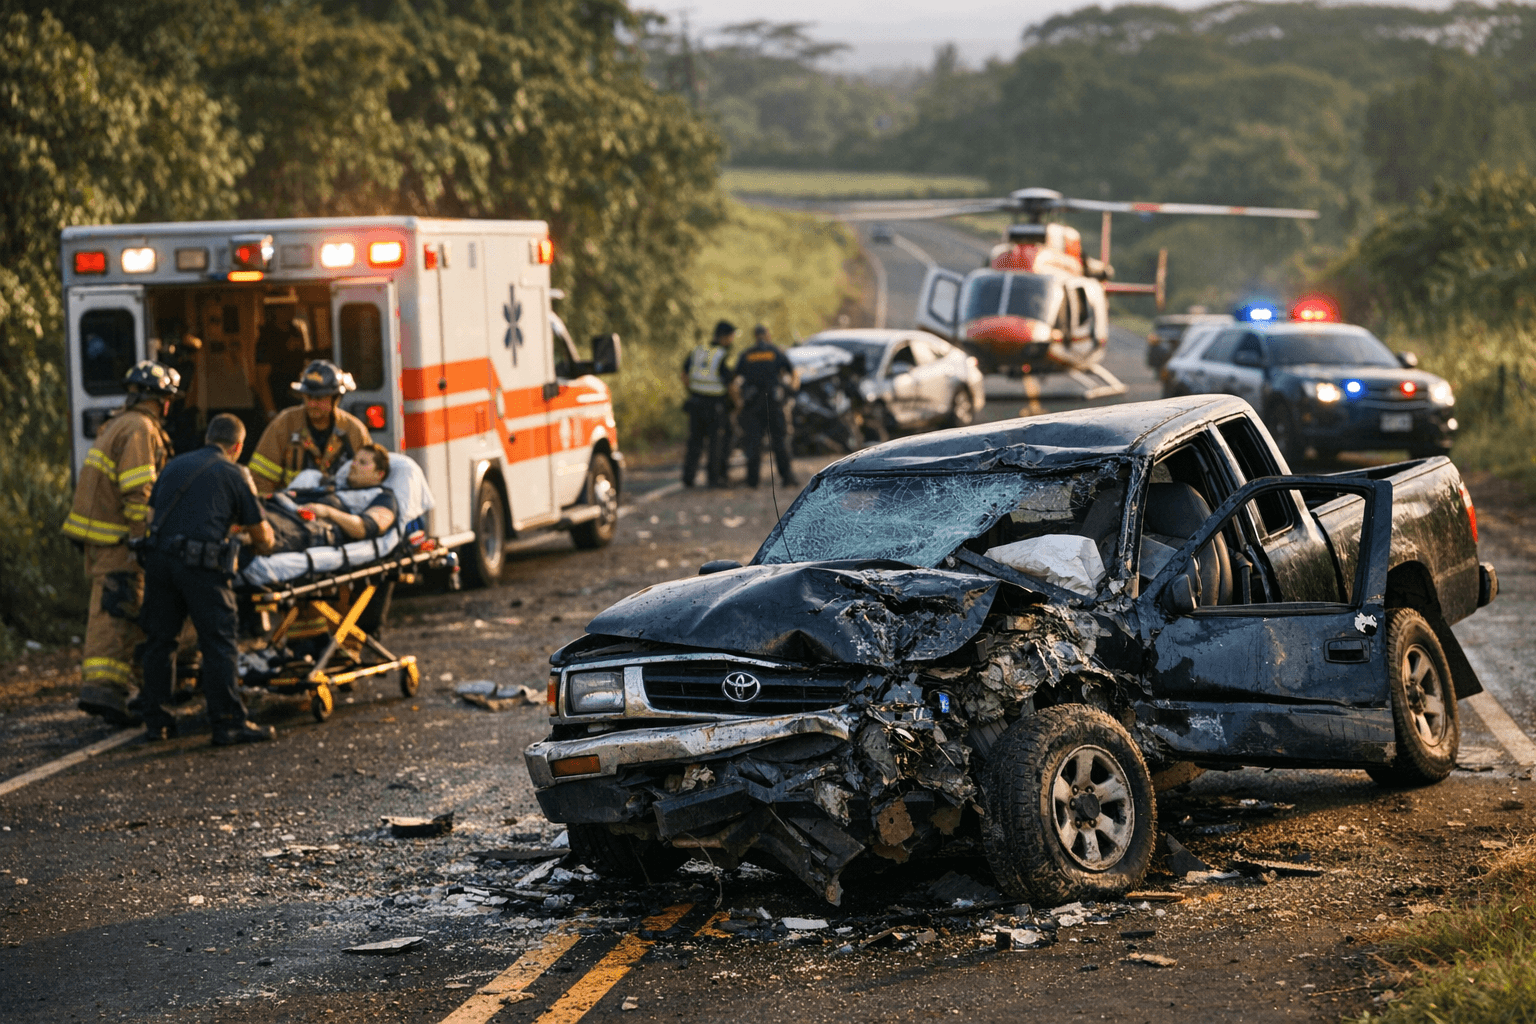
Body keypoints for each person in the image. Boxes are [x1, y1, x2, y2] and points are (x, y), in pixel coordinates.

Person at [137, 414, 277, 745]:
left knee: (160, 641)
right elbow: (264, 538)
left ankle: (157, 723)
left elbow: (150, 517)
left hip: (159, 562)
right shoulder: (234, 473)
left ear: (208, 438)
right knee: (218, 642)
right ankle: (228, 723)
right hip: (202, 567)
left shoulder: (173, 467)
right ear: (238, 446)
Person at [62, 361, 180, 726]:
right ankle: (104, 689)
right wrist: (140, 537)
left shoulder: (120, 423)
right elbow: (137, 488)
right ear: (162, 401)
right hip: (116, 537)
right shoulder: (140, 428)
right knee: (116, 608)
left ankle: (129, 685)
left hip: (103, 534)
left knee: (125, 607)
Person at [248, 359, 371, 495]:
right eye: (308, 397)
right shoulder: (284, 424)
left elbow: (370, 477)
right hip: (294, 506)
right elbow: (260, 478)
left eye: (319, 398)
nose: (312, 404)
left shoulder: (354, 431)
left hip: (341, 505)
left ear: (335, 399)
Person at [263, 443, 400, 552]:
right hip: (280, 510)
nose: (353, 465)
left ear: (379, 474)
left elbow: (364, 528)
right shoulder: (334, 486)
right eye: (354, 460)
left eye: (362, 463)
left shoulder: (383, 497)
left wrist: (327, 511)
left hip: (306, 527)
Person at [733, 324, 800, 488]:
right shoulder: (775, 352)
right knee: (779, 441)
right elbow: (794, 373)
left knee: (754, 442)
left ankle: (752, 480)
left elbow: (734, 381)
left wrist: (738, 403)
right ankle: (787, 478)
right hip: (773, 403)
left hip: (753, 404)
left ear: (755, 336)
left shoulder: (747, 355)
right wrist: (791, 391)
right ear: (767, 334)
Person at [680, 320, 737, 487]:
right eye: (731, 336)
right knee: (716, 442)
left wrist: (693, 389)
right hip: (715, 405)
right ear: (725, 337)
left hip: (695, 402)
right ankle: (714, 478)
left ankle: (688, 478)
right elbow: (730, 385)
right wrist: (737, 403)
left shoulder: (698, 350)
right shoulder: (722, 355)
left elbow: (684, 374)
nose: (732, 340)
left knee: (694, 442)